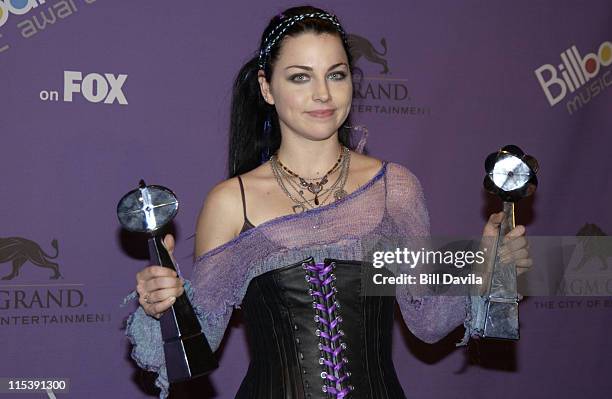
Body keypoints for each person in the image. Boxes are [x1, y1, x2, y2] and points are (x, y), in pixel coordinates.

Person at [121, 5, 532, 399]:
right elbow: (198, 346)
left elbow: (427, 320)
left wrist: (485, 264)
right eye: (301, 77)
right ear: (267, 87)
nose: (323, 94)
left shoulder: (395, 188)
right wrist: (163, 305)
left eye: (335, 75)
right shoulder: (231, 202)